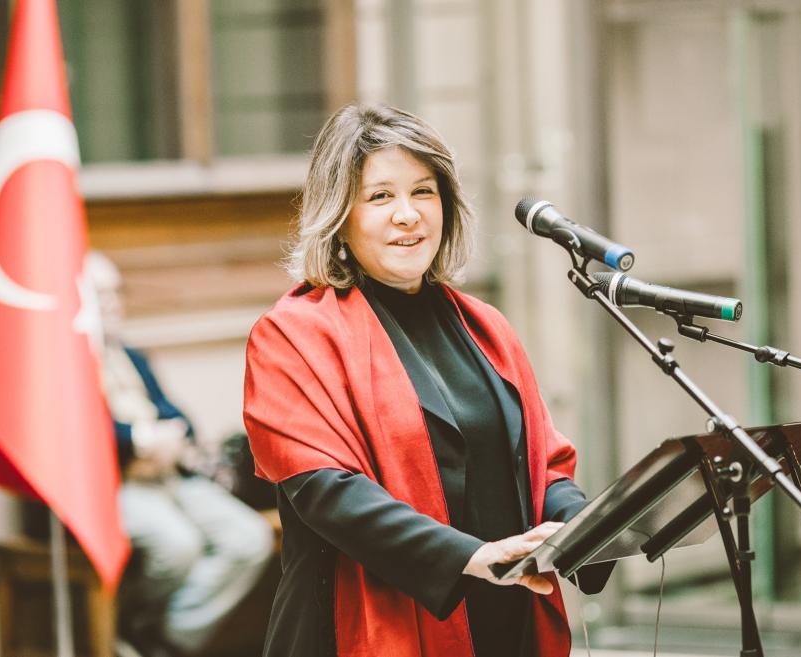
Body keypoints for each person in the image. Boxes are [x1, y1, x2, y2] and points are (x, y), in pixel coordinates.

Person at [243, 103, 613, 657]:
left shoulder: (485, 326)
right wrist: (467, 556)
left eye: (424, 191)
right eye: (380, 196)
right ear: (339, 215)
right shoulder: (293, 334)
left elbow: (541, 465)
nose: (408, 215)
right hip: (362, 626)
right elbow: (327, 491)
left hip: (502, 616)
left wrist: (586, 523)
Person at [84, 251, 274, 657]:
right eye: (101, 295)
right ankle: (142, 626)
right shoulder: (66, 367)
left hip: (170, 476)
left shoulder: (130, 356)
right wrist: (139, 438)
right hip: (119, 486)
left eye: (117, 292)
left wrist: (169, 433)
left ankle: (163, 638)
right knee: (177, 547)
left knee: (249, 539)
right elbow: (82, 435)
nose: (115, 302)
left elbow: (179, 417)